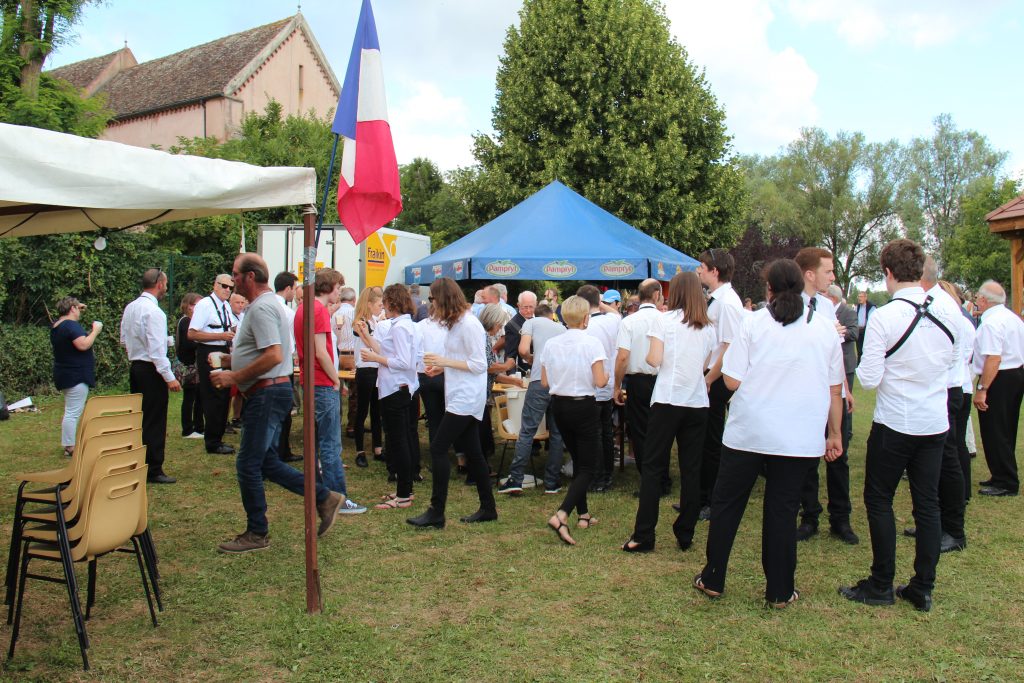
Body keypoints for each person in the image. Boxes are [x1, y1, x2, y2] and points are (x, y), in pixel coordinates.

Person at [695, 259, 843, 608]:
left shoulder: (754, 323)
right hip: (798, 436)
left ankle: (713, 576)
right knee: (781, 510)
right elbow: (835, 388)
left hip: (750, 429)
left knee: (727, 505)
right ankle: (779, 588)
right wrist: (834, 433)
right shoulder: (824, 328)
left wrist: (763, 385)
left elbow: (731, 379)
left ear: (769, 289)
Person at [840, 239, 958, 612]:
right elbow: (955, 363)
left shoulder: (887, 317)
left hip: (895, 422)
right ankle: (923, 586)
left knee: (879, 499)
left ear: (888, 273)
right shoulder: (949, 310)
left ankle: (881, 583)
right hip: (934, 421)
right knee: (927, 503)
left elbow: (870, 378)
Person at [211, 253, 345, 553]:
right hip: (270, 390)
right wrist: (235, 359)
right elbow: (269, 352)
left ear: (250, 277)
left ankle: (257, 532)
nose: (231, 281)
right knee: (265, 461)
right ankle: (325, 497)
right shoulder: (268, 306)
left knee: (248, 463)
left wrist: (234, 376)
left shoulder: (261, 309)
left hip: (267, 393)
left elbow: (272, 355)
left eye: (235, 274)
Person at [623, 272, 716, 553]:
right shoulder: (707, 327)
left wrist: (652, 359)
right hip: (696, 402)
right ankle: (685, 531)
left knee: (652, 467)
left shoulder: (664, 322)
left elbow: (654, 359)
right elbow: (706, 363)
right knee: (691, 468)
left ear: (673, 293)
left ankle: (644, 534)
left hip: (667, 400)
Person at [407, 278, 497, 528]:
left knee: (437, 448)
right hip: (459, 393)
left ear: (443, 298)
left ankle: (437, 512)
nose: (430, 304)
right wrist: (442, 368)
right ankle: (488, 508)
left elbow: (480, 365)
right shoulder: (455, 323)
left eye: (433, 299)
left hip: (467, 397)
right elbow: (462, 359)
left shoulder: (468, 324)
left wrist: (444, 362)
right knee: (474, 453)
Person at [903, 256, 967, 552]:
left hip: (947, 388)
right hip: (939, 388)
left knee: (948, 459)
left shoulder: (941, 305)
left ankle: (954, 530)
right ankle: (935, 523)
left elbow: (955, 354)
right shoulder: (932, 301)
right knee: (934, 462)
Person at [793, 247, 855, 544]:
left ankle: (841, 519)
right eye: (828, 271)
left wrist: (845, 386)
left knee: (838, 457)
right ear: (809, 274)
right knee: (807, 458)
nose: (832, 277)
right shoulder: (791, 306)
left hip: (833, 391)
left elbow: (835, 354)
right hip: (806, 393)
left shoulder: (828, 307)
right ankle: (810, 516)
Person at [294, 268, 366, 515]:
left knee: (314, 442)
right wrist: (336, 380)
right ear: (328, 287)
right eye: (337, 286)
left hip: (310, 380)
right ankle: (337, 498)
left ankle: (318, 492)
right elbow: (320, 351)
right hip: (322, 382)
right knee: (330, 444)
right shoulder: (318, 310)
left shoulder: (305, 308)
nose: (339, 291)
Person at [541, 295, 609, 545]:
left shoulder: (551, 344)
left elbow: (546, 382)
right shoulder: (592, 343)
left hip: (559, 406)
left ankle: (583, 514)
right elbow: (600, 381)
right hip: (584, 406)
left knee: (580, 462)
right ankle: (562, 513)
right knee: (588, 467)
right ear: (586, 318)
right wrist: (607, 374)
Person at [357, 283, 423, 511]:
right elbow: (389, 352)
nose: (383, 306)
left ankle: (404, 494)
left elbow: (403, 362)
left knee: (399, 442)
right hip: (398, 388)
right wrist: (368, 340)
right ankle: (404, 490)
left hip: (396, 389)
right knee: (399, 441)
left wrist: (376, 358)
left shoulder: (401, 328)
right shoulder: (404, 326)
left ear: (392, 304)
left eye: (384, 302)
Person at [498, 302, 567, 495]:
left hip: (538, 380)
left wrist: (531, 358)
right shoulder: (561, 327)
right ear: (552, 314)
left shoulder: (530, 323)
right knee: (557, 434)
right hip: (559, 383)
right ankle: (552, 482)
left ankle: (516, 479)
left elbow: (522, 350)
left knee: (527, 430)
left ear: (535, 315)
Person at [697, 248, 745, 519]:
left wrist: (709, 378)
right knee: (705, 439)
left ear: (715, 270)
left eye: (702, 266)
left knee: (713, 441)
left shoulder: (726, 303)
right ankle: (702, 495)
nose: (699, 270)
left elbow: (729, 346)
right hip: (709, 375)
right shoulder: (716, 299)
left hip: (715, 378)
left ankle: (713, 501)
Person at [120, 268, 181, 484]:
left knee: (140, 418)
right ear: (159, 284)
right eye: (165, 283)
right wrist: (169, 376)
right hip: (151, 369)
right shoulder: (155, 312)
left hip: (136, 366)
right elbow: (156, 351)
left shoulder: (131, 307)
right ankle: (154, 468)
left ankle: (138, 461)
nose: (166, 287)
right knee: (154, 420)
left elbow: (124, 340)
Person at [972, 280, 1024, 497]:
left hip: (999, 376)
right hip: (1015, 373)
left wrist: (983, 388)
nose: (976, 302)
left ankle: (1006, 480)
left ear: (984, 300)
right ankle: (1001, 473)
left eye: (977, 298)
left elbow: (993, 358)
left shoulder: (992, 322)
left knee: (995, 429)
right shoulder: (1013, 318)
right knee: (1007, 427)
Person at [613, 279, 665, 493]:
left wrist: (617, 385)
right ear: (655, 295)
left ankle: (652, 480)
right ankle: (660, 478)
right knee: (661, 431)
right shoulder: (664, 319)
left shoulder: (629, 322)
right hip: (660, 379)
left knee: (641, 431)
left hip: (640, 381)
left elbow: (623, 357)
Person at [188, 274, 236, 455]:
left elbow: (230, 328)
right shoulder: (205, 305)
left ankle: (218, 437)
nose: (227, 290)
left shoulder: (225, 306)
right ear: (215, 285)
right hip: (208, 352)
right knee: (213, 394)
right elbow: (192, 334)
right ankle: (212, 441)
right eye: (224, 286)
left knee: (223, 395)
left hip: (223, 351)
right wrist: (219, 336)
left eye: (231, 288)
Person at [577, 284, 619, 492]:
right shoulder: (611, 320)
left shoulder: (586, 326)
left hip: (592, 385)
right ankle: (608, 475)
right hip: (608, 383)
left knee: (595, 434)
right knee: (606, 432)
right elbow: (616, 312)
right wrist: (600, 303)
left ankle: (599, 478)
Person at [938, 280, 977, 502]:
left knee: (950, 446)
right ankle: (963, 492)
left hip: (953, 386)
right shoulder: (964, 322)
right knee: (957, 442)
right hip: (962, 385)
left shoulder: (955, 322)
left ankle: (956, 494)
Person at [51, 296, 102, 457]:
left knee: (70, 410)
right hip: (76, 374)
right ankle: (70, 446)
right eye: (77, 308)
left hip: (64, 372)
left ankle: (69, 444)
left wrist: (76, 305)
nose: (79, 312)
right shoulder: (71, 326)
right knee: (73, 412)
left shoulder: (57, 325)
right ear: (72, 309)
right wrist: (95, 330)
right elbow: (83, 344)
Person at [352, 287, 384, 465]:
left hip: (377, 367)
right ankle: (360, 451)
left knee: (377, 411)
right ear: (369, 304)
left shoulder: (376, 320)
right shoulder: (360, 321)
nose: (381, 307)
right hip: (365, 369)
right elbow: (369, 342)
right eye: (379, 304)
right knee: (362, 410)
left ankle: (378, 448)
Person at [273, 272, 300, 463]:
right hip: (283, 364)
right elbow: (291, 343)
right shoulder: (287, 312)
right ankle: (282, 450)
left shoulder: (266, 306)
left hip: (272, 364)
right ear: (289, 288)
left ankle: (279, 450)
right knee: (283, 410)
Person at [175, 293, 204, 440]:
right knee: (190, 397)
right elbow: (188, 343)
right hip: (189, 366)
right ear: (188, 305)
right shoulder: (186, 321)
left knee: (196, 396)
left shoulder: (189, 321)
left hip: (192, 365)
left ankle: (198, 427)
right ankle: (187, 429)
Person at [334, 286, 359, 441]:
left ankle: (336, 425)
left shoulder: (334, 313)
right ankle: (352, 425)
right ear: (353, 299)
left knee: (336, 392)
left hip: (338, 355)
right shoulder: (355, 313)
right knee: (354, 393)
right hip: (352, 355)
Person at [504, 291, 537, 375]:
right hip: (525, 372)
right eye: (525, 307)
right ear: (518, 305)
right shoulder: (512, 325)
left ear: (536, 304)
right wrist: (512, 377)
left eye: (531, 307)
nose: (529, 310)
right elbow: (510, 356)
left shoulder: (540, 317)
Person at [855, 291, 875, 360]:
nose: (859, 298)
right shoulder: (857, 307)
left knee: (866, 349)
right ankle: (859, 364)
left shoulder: (871, 307)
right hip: (859, 330)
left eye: (861, 297)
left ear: (865, 298)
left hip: (867, 330)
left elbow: (872, 320)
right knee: (859, 350)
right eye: (858, 297)